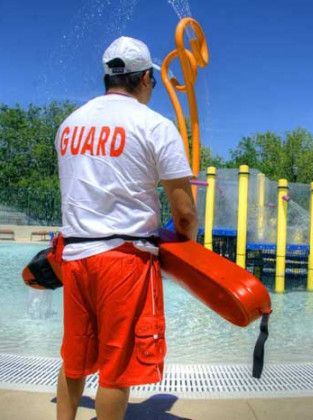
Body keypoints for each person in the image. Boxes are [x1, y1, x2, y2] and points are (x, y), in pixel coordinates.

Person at [55, 36, 198, 420]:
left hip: (74, 255)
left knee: (74, 359)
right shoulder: (154, 125)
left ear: (107, 78)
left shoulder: (69, 125)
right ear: (147, 79)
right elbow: (183, 213)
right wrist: (189, 246)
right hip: (124, 261)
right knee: (116, 369)